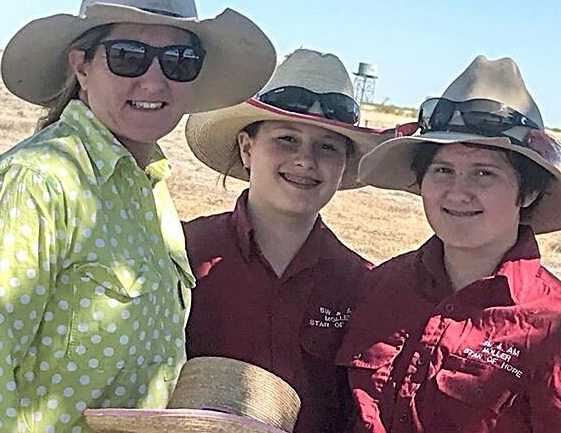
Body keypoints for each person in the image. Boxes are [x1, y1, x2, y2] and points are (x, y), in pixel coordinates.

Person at [0, 0, 275, 431]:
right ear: (81, 66)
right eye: (128, 55)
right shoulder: (36, 184)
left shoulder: (149, 187)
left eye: (179, 61)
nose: (153, 80)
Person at [336, 56, 561, 433]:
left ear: (529, 192)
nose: (459, 192)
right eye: (443, 170)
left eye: (484, 173)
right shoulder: (379, 285)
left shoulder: (551, 325)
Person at [183, 48, 389, 433]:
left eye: (327, 146)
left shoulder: (362, 283)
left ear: (344, 165)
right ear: (247, 148)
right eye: (286, 139)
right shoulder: (183, 253)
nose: (305, 160)